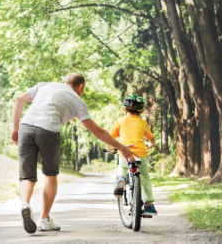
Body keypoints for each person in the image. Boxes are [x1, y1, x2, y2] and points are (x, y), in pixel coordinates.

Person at [11, 73, 137, 234]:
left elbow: (19, 99)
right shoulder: (78, 101)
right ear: (81, 87)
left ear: (66, 82)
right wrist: (121, 147)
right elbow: (98, 132)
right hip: (48, 131)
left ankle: (25, 204)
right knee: (50, 175)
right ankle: (44, 219)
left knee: (27, 176)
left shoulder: (45, 85)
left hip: (26, 127)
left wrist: (15, 128)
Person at [106, 94, 157, 216]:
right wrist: (152, 144)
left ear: (125, 110)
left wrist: (110, 149)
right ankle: (149, 204)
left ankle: (121, 178)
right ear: (140, 111)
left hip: (125, 151)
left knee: (122, 167)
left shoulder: (120, 121)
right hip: (141, 153)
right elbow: (151, 137)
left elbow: (110, 138)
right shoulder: (143, 123)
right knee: (144, 177)